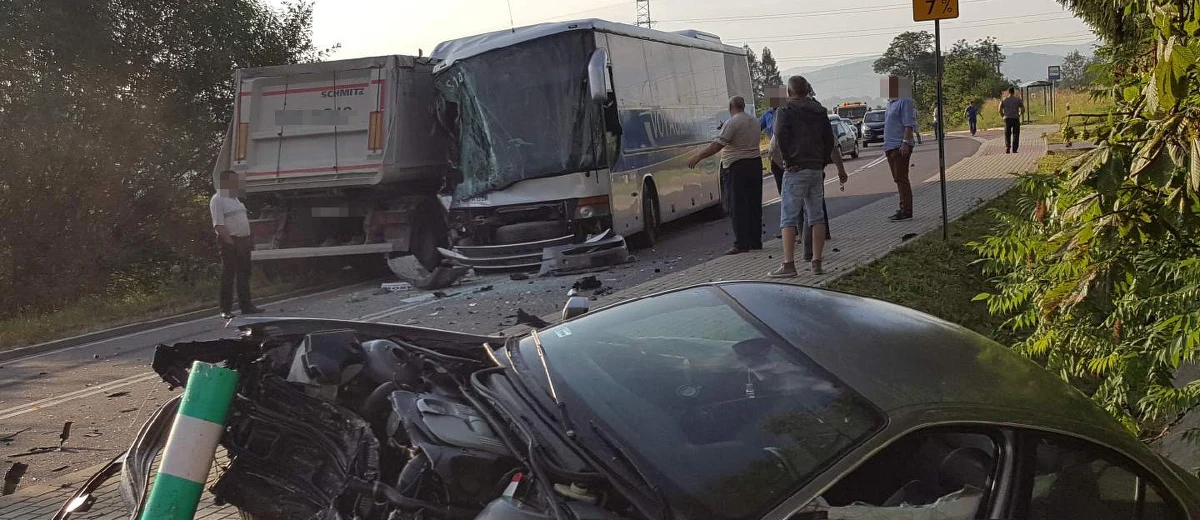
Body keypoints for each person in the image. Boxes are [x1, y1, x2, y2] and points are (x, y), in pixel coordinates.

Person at [767, 76, 847, 277]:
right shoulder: (820, 110)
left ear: (789, 92)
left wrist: (787, 160)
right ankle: (817, 262)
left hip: (795, 169)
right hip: (815, 168)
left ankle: (788, 265)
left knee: (789, 217)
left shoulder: (784, 110)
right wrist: (822, 161)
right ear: (806, 90)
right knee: (816, 215)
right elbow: (829, 139)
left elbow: (779, 136)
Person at [688, 96, 763, 254]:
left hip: (737, 167)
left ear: (730, 107)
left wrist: (698, 156)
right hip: (755, 164)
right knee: (753, 204)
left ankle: (741, 243)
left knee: (738, 206)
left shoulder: (732, 122)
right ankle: (755, 240)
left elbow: (718, 145)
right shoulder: (754, 121)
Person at [211, 169, 263, 319]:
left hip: (244, 240)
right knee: (228, 275)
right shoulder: (218, 199)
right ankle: (225, 309)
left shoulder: (235, 199)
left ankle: (246, 306)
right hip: (230, 240)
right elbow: (218, 224)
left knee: (244, 274)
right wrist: (229, 243)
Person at [882, 76, 917, 222]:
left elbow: (908, 124)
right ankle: (902, 207)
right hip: (890, 146)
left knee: (901, 178)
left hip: (899, 146)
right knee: (897, 178)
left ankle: (906, 210)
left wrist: (905, 142)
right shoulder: (891, 103)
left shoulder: (905, 101)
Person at [999, 88, 1025, 153]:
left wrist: (1003, 116)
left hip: (1007, 118)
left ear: (1008, 92)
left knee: (1007, 133)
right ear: (1014, 92)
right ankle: (1014, 149)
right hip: (1015, 118)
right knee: (1016, 134)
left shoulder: (1004, 100)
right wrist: (1019, 114)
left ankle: (1008, 147)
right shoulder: (1018, 100)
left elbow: (999, 110)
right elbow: (1023, 109)